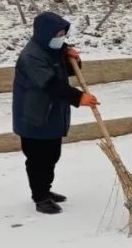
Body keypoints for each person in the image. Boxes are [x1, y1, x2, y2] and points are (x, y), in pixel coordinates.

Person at [11, 12, 99, 215]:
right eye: (58, 34)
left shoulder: (52, 48)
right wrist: (79, 98)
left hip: (51, 114)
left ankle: (46, 190)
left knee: (52, 155)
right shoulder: (31, 56)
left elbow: (65, 71)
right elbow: (51, 84)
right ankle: (40, 197)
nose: (61, 38)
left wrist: (71, 57)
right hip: (34, 116)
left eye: (63, 34)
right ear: (45, 34)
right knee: (38, 159)